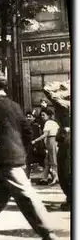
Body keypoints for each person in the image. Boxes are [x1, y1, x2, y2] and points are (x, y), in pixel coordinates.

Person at [0, 69, 59, 240]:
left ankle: (48, 235)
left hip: (5, 158)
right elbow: (27, 131)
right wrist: (21, 151)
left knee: (26, 196)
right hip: (16, 156)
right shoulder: (15, 105)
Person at [43, 81, 71, 210]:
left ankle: (71, 199)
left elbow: (47, 89)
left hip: (67, 137)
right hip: (66, 137)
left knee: (65, 170)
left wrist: (61, 85)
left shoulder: (65, 104)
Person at [31, 107, 59, 185]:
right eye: (41, 115)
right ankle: (44, 178)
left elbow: (45, 134)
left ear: (48, 115)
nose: (42, 117)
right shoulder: (54, 122)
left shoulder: (48, 123)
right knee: (47, 161)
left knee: (53, 161)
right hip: (52, 141)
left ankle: (56, 178)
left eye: (43, 115)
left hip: (51, 141)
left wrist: (35, 140)